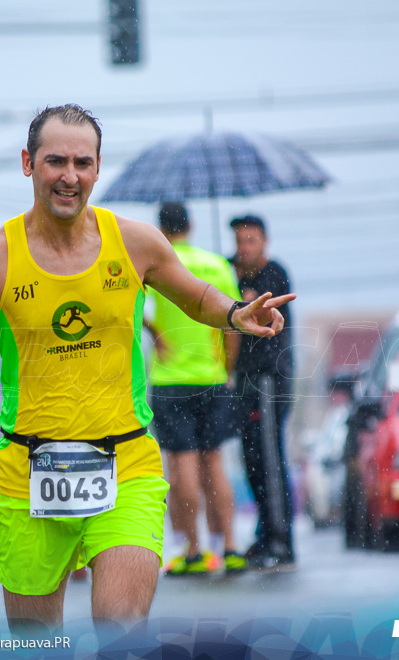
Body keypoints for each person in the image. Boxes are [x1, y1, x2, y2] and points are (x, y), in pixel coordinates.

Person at [0, 104, 294, 634]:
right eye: (55, 161)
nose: (70, 176)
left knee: (121, 632)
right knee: (36, 645)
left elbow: (194, 294)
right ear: (28, 163)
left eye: (82, 163)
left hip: (126, 465)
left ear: (97, 168)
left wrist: (235, 315)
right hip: (28, 474)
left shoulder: (133, 242)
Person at [144, 202, 246, 577]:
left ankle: (193, 550)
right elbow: (232, 322)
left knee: (181, 463)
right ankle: (232, 546)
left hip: (170, 380)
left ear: (161, 228)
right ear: (192, 225)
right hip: (211, 376)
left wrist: (154, 333)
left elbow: (132, 308)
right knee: (214, 460)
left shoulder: (155, 267)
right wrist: (226, 368)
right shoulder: (216, 265)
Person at [228, 214, 296, 572]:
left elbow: (259, 307)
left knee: (270, 460)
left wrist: (242, 295)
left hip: (270, 380)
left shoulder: (275, 273)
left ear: (264, 242)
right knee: (252, 462)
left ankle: (282, 541)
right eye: (240, 240)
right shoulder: (228, 269)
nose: (244, 248)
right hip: (242, 380)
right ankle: (264, 533)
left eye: (251, 240)